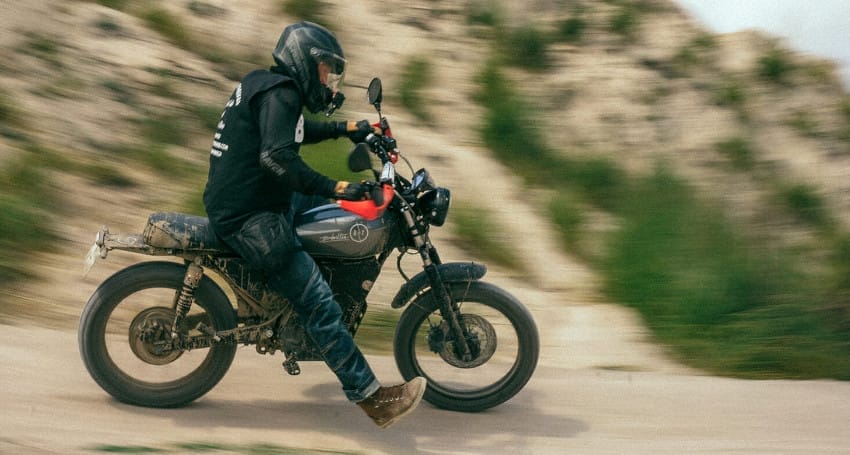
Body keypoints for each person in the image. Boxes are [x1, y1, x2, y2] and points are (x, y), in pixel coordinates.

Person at [202, 21, 426, 429]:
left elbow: (295, 133)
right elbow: (278, 158)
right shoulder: (281, 94)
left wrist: (351, 128)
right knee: (319, 301)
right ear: (304, 62)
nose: (329, 80)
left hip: (250, 198)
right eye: (325, 69)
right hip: (249, 214)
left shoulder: (266, 85)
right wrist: (339, 184)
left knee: (330, 210)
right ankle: (372, 398)